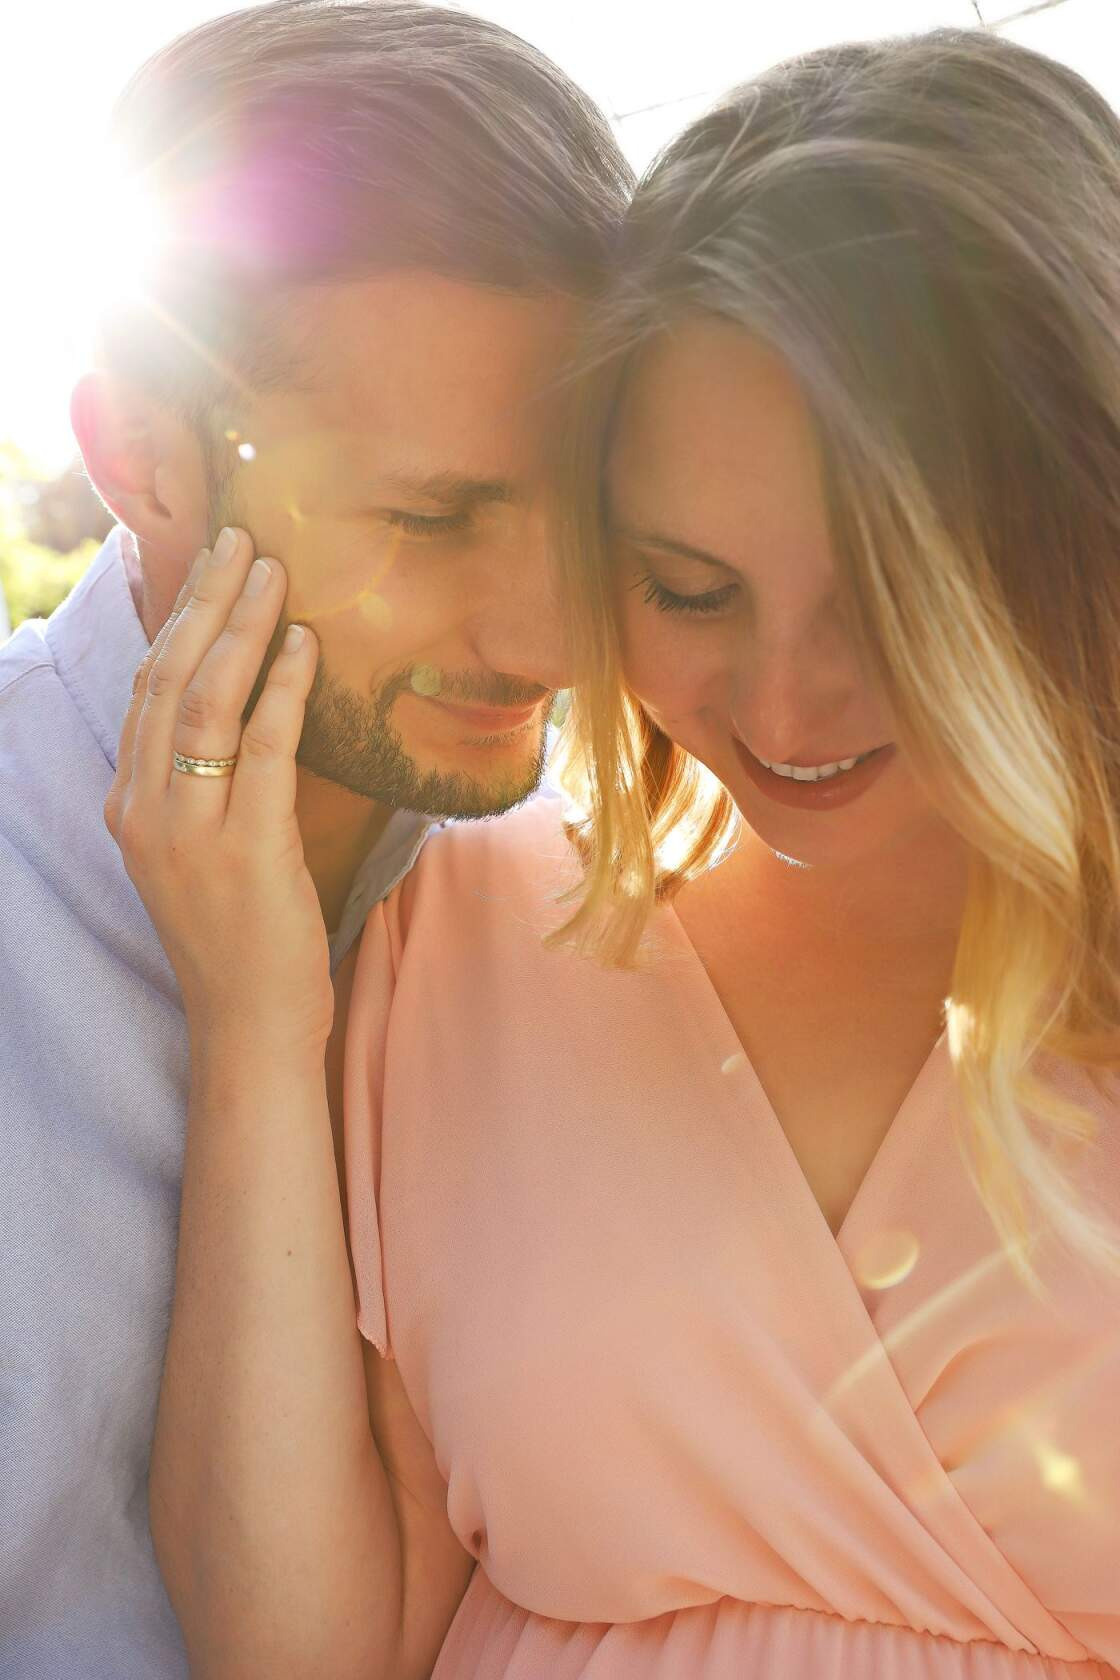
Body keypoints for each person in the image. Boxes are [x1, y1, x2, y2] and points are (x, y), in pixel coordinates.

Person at [110, 24, 1120, 1680]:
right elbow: (302, 1651)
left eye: (886, 601)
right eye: (687, 588)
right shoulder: (473, 943)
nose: (784, 701)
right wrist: (254, 1032)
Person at [0, 3, 629, 1673]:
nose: (551, 634)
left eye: (589, 503)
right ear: (143, 458)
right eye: (430, 519)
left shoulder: (606, 919)